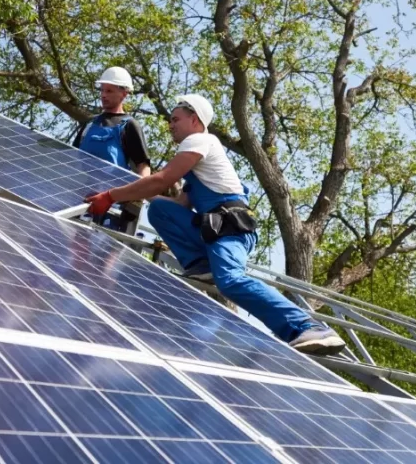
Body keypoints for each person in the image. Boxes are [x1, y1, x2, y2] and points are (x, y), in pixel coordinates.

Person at [84, 94, 346, 356]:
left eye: (175, 119)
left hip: (230, 230)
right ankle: (202, 266)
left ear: (195, 120)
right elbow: (179, 205)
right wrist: (130, 192)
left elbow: (161, 180)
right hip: (213, 229)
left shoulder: (200, 141)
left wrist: (111, 195)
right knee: (161, 210)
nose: (170, 125)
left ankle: (309, 326)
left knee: (230, 279)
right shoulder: (198, 165)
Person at [74, 66, 151, 232]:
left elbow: (143, 166)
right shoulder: (89, 124)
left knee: (104, 253)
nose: (103, 95)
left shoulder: (129, 125)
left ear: (124, 93)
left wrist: (137, 196)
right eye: (102, 90)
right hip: (82, 199)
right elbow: (70, 160)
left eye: (109, 91)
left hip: (113, 204)